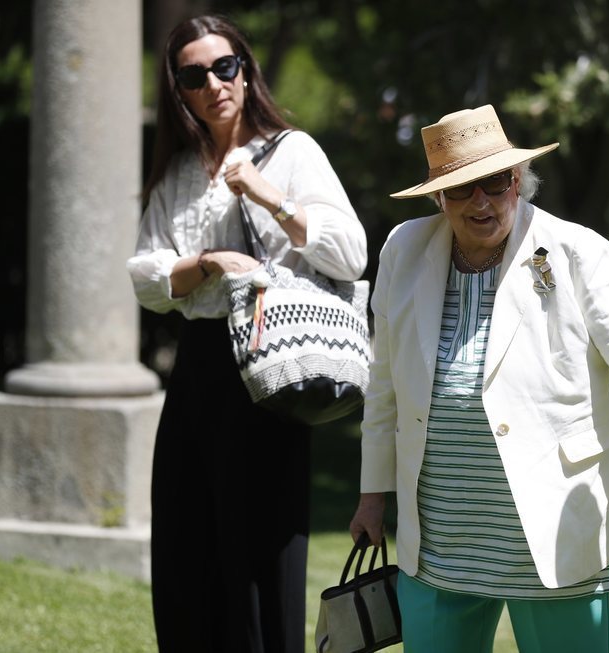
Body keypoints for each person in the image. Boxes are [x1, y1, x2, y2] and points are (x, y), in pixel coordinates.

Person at [349, 104, 609, 653]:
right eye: (462, 189)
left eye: (494, 182)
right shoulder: (403, 249)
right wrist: (372, 495)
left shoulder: (577, 251)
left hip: (556, 532)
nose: (480, 201)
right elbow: (383, 380)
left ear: (518, 181)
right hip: (440, 541)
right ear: (439, 197)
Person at [126, 15, 366, 652]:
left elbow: (350, 253)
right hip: (198, 365)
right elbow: (147, 275)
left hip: (270, 361)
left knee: (259, 557)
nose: (213, 84)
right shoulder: (178, 170)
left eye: (224, 67)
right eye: (194, 75)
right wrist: (206, 262)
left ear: (246, 70)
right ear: (180, 90)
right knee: (183, 544)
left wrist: (269, 197)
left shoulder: (293, 151)